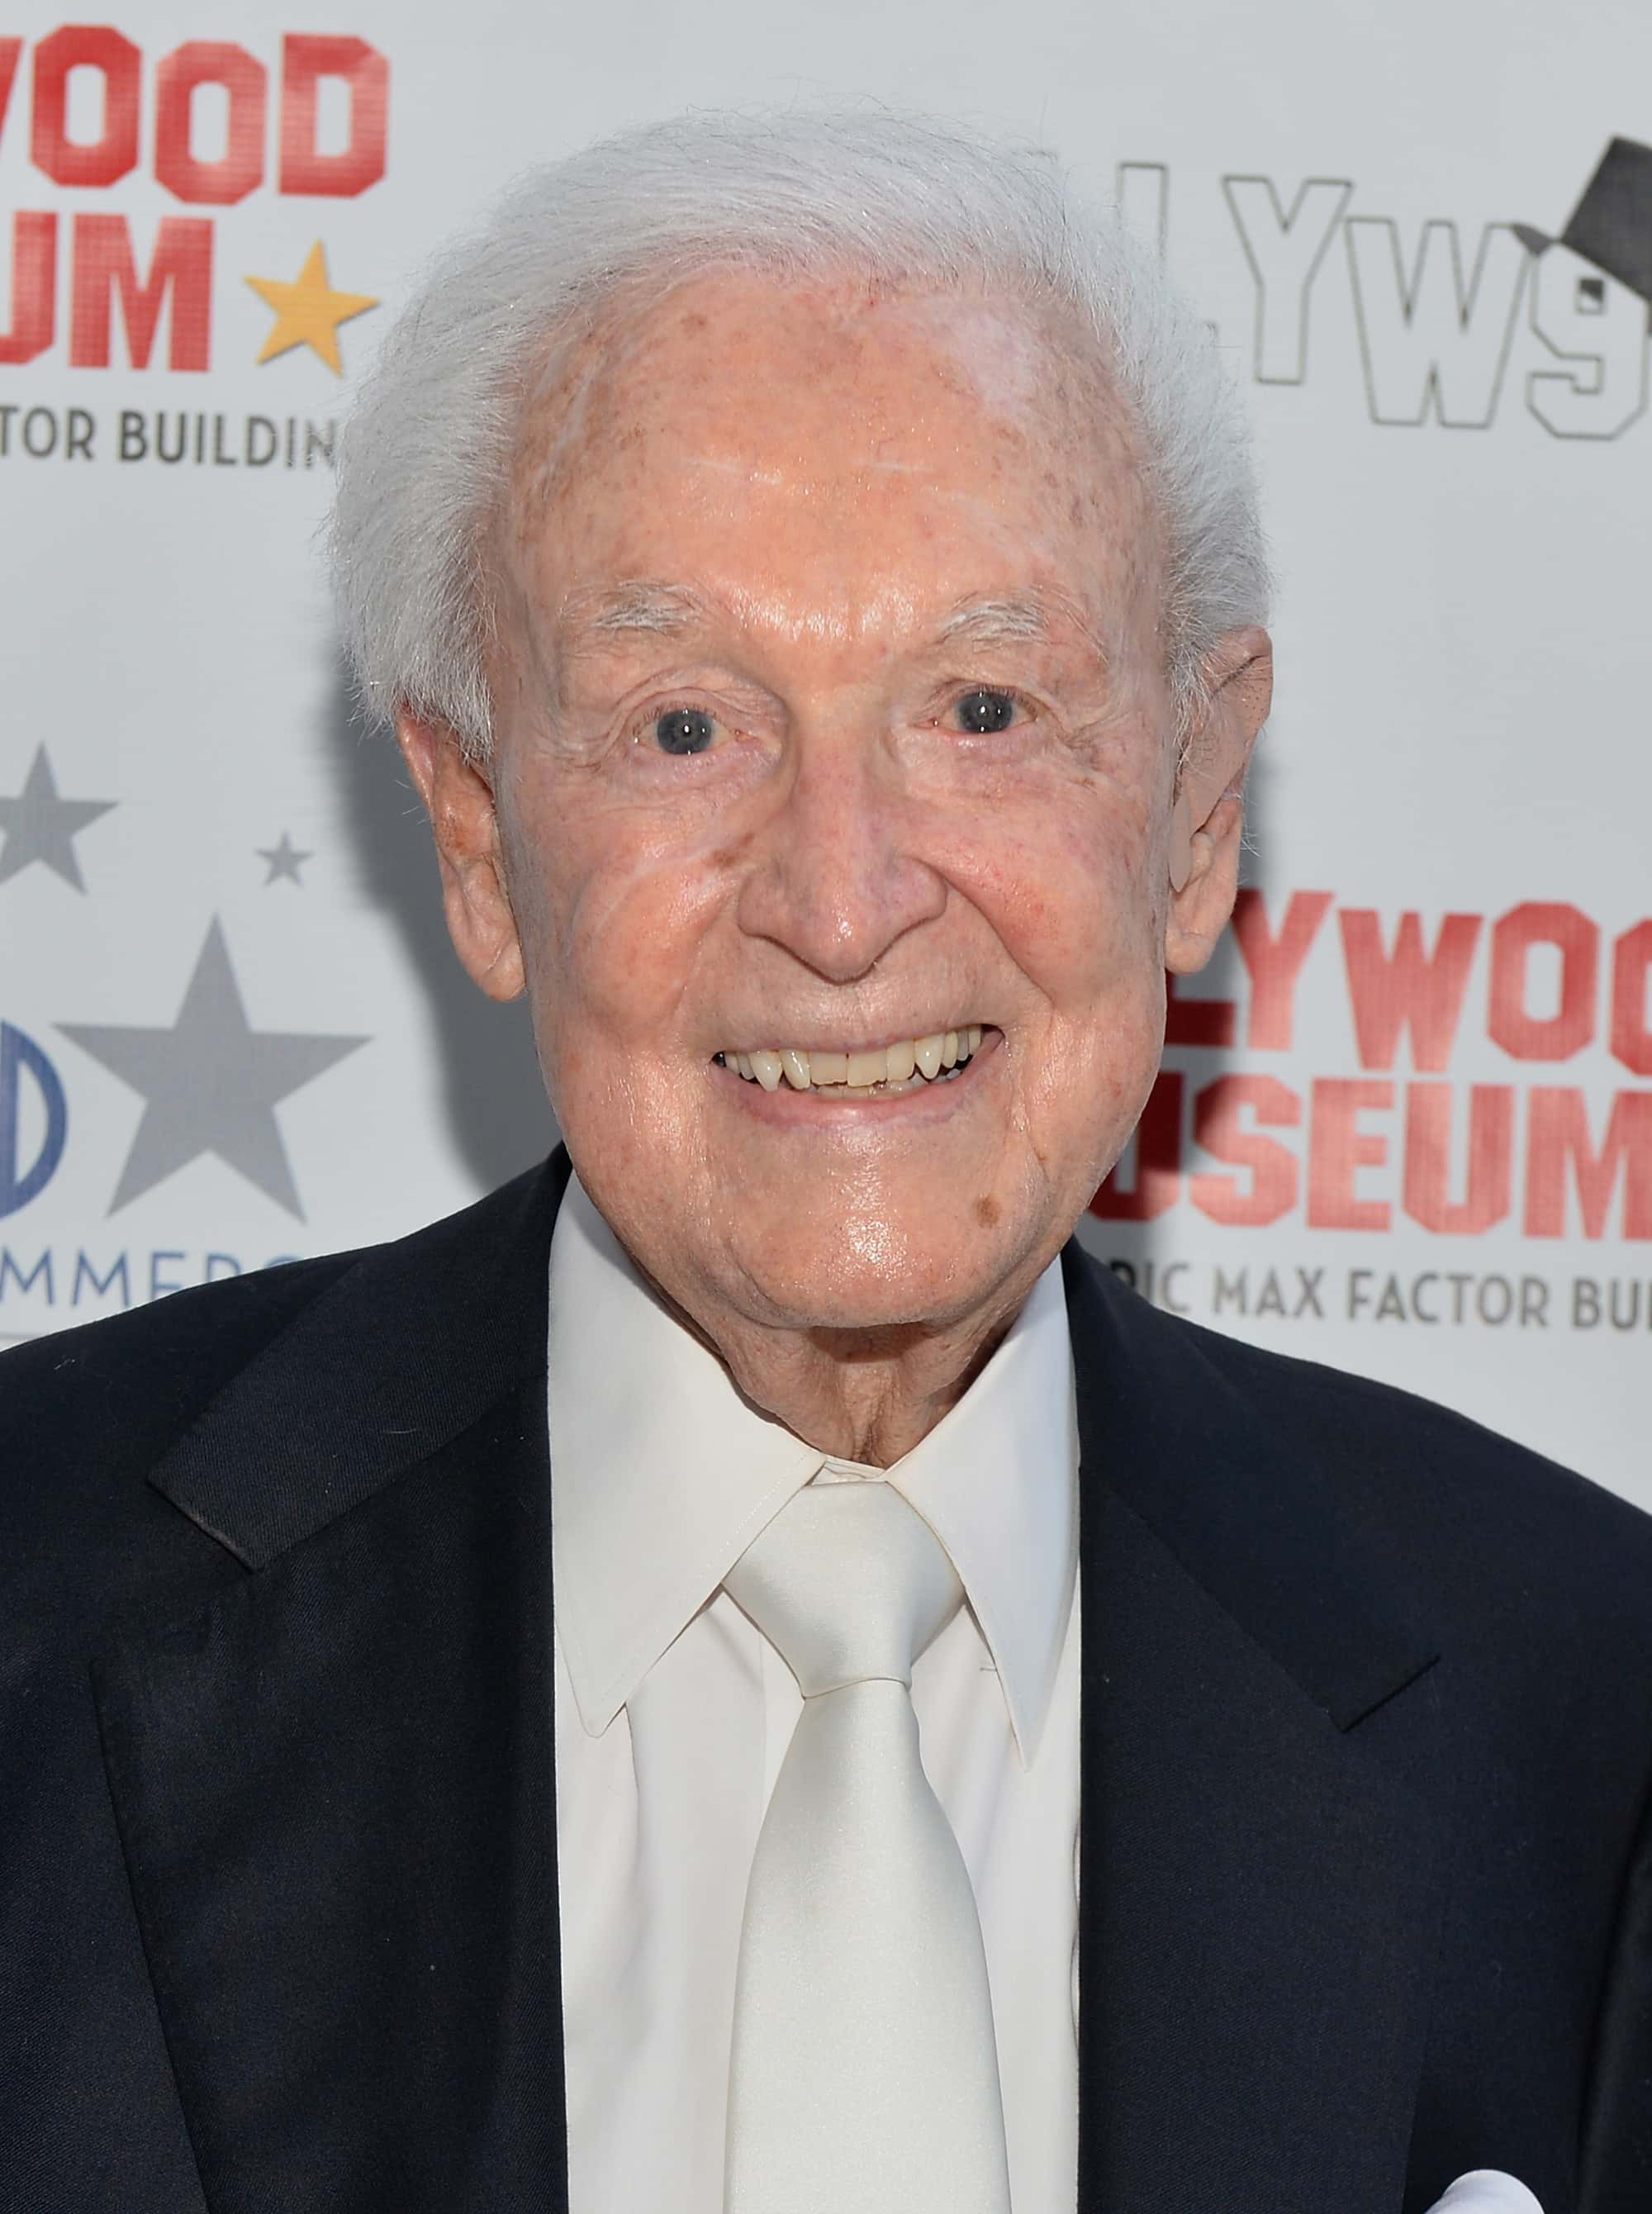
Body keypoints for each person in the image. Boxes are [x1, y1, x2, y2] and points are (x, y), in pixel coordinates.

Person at [2, 108, 1647, 2214]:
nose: (846, 896)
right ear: (481, 837)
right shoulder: (36, 1609)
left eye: (981, 704)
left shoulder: (1583, 1722)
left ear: (1198, 807)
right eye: (685, 724)